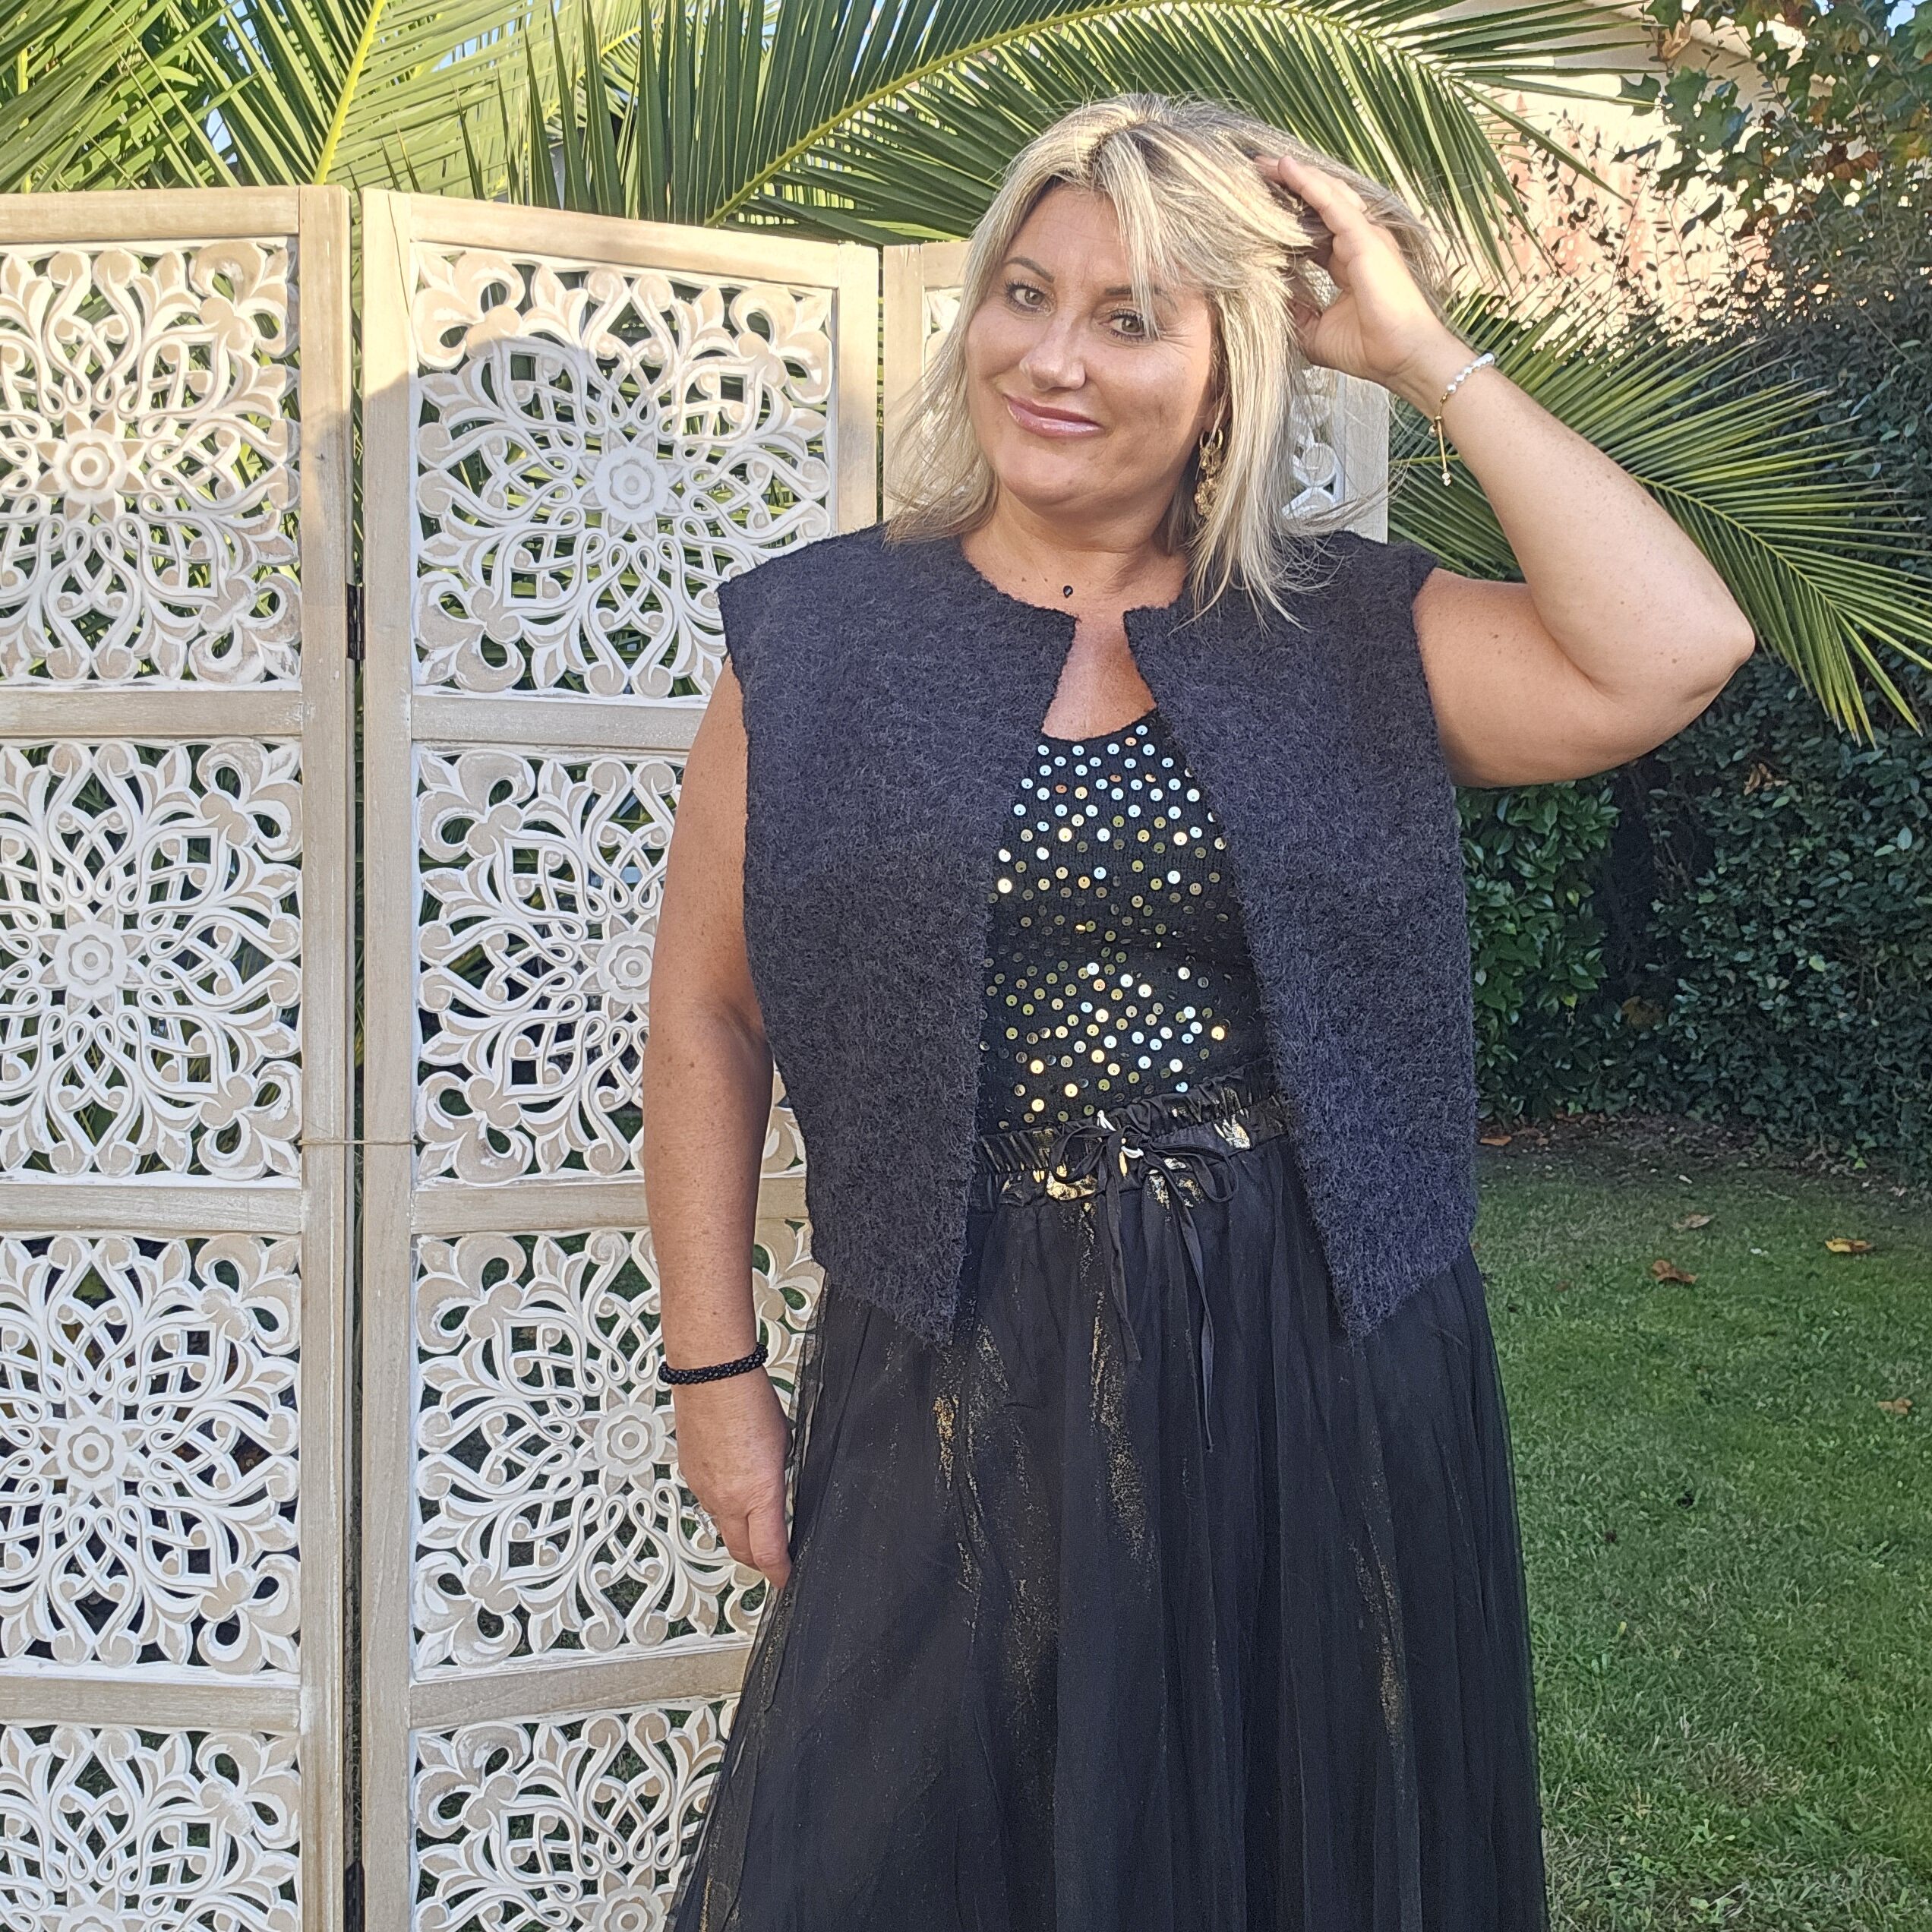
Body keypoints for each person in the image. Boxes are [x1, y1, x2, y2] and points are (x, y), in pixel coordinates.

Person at [642, 93, 1755, 1932]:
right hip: (953, 1345)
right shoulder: (818, 640)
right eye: (1025, 294)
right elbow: (709, 1016)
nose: (1052, 359)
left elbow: (1675, 649)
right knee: (898, 1856)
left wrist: (1421, 351)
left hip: (1310, 1351)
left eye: (1132, 318)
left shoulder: (1348, 629)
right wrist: (716, 1378)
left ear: (1233, 368)